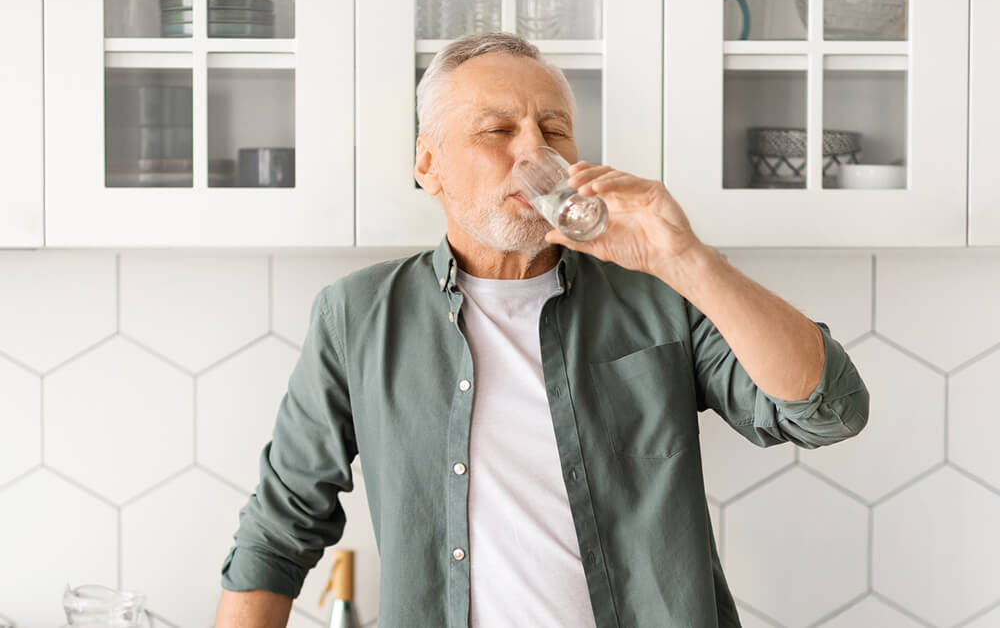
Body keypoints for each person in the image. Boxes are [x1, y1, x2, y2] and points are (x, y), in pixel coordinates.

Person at [215, 32, 869, 627]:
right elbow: (279, 531)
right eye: (497, 129)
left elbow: (828, 411)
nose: (534, 150)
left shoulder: (661, 294)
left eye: (553, 130)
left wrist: (688, 260)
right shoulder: (356, 317)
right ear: (428, 163)